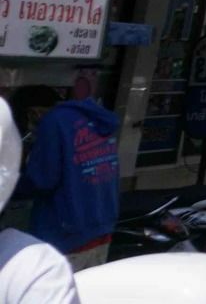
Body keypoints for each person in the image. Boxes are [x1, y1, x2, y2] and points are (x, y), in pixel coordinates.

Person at [18, 77, 118, 271]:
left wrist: (10, 184)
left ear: (34, 113)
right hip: (100, 226)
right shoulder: (93, 119)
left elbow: (42, 180)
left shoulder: (53, 122)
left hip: (66, 232)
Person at [0, 99, 79, 303]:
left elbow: (42, 180)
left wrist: (17, 184)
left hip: (66, 229)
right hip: (89, 224)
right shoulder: (82, 121)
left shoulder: (33, 269)